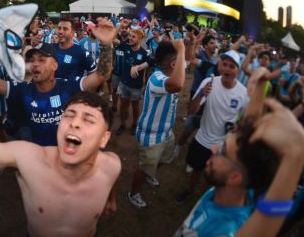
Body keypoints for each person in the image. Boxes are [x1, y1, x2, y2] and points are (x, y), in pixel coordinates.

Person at [0, 82, 121, 235]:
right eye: (68, 115)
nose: (74, 123)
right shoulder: (29, 159)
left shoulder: (112, 165)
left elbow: (111, 178)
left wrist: (110, 199)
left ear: (104, 138)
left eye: (88, 119)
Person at [176, 71, 304, 236]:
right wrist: (261, 82)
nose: (214, 148)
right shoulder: (238, 185)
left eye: (222, 151)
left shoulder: (228, 230)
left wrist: (296, 154)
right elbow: (249, 126)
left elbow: (267, 221)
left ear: (234, 177)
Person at [0, 20, 116, 146]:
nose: (35, 64)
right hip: (39, 155)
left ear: (55, 65)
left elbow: (101, 75)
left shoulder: (69, 88)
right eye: (32, 60)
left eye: (41, 60)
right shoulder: (23, 90)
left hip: (65, 154)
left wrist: (106, 44)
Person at [176, 50, 249, 203]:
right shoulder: (208, 84)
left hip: (223, 145)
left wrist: (237, 130)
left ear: (238, 70)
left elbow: (244, 120)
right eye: (225, 64)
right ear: (220, 65)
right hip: (202, 138)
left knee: (216, 176)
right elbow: (191, 111)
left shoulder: (243, 93)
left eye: (232, 66)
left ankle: (209, 198)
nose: (227, 69)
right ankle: (189, 191)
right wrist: (202, 94)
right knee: (196, 169)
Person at [127, 39, 186, 208]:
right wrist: (181, 50)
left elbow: (185, 61)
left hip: (167, 132)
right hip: (150, 136)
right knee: (144, 167)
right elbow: (177, 85)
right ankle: (133, 193)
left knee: (162, 159)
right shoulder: (156, 79)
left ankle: (150, 174)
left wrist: (189, 44)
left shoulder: (173, 71)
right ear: (174, 63)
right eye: (179, 61)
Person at [115, 29, 149, 136]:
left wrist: (145, 80)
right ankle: (123, 124)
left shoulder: (144, 53)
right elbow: (112, 39)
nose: (130, 38)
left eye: (133, 37)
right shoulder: (126, 46)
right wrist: (120, 26)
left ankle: (134, 124)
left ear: (140, 39)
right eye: (130, 36)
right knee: (123, 106)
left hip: (136, 86)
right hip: (124, 83)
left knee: (135, 107)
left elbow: (150, 65)